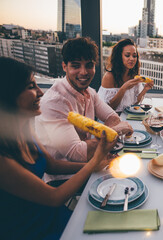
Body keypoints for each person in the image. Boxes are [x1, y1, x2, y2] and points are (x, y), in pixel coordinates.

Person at [0, 57, 117, 239]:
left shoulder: (24, 129)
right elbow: (54, 197)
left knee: (114, 222)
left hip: (51, 214)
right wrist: (92, 163)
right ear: (7, 95)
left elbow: (51, 165)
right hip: (33, 229)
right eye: (31, 87)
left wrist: (97, 166)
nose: (40, 92)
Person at [35, 37, 133, 183]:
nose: (84, 72)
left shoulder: (90, 92)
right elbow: (77, 153)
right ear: (64, 66)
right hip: (65, 178)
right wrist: (115, 131)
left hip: (92, 163)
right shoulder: (55, 101)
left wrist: (107, 135)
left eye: (89, 65)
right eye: (76, 66)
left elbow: (112, 118)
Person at [98, 38, 154, 113]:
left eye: (134, 56)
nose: (132, 59)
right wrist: (123, 88)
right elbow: (109, 108)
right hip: (111, 118)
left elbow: (135, 103)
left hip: (128, 116)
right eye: (127, 55)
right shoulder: (109, 76)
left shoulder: (134, 74)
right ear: (119, 57)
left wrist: (145, 89)